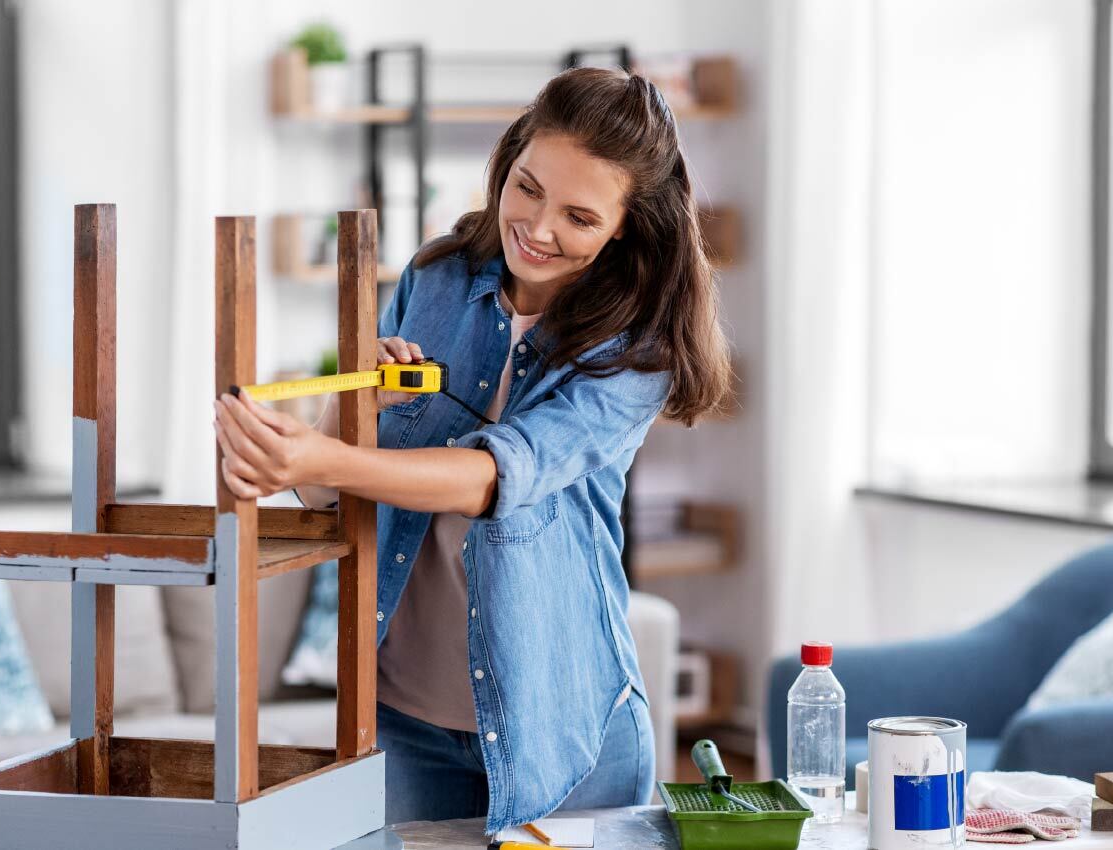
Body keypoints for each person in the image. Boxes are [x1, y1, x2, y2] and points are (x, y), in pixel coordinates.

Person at [212, 66, 732, 832]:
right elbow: (325, 496)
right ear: (510, 157)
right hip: (397, 719)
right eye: (527, 188)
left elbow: (495, 477)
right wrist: (336, 419)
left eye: (580, 217)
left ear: (625, 224)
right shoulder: (435, 277)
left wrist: (319, 460)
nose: (539, 227)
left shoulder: (637, 349)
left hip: (564, 727)